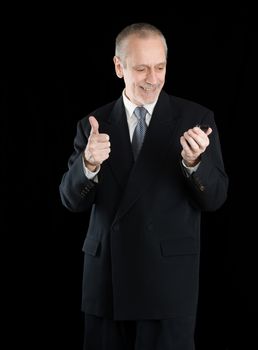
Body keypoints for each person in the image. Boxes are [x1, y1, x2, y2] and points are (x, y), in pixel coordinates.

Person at [59, 22, 228, 350]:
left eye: (160, 67)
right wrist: (89, 165)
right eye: (141, 68)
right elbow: (70, 201)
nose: (153, 78)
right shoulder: (92, 124)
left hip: (168, 284)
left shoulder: (196, 119)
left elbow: (216, 198)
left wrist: (194, 164)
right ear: (119, 66)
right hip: (107, 283)